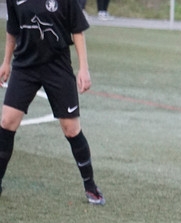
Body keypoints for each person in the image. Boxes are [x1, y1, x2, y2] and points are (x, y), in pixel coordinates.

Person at [0, 0, 105, 205]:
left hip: (57, 68)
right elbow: (12, 29)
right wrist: (6, 62)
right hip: (24, 67)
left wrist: (84, 69)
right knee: (7, 121)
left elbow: (77, 31)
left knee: (71, 129)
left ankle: (91, 186)